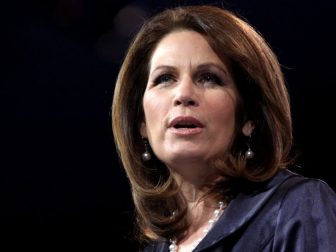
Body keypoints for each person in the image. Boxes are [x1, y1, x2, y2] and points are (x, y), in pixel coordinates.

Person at [111, 5, 336, 252]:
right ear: (141, 123)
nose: (183, 94)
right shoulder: (156, 248)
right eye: (164, 78)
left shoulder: (296, 206)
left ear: (249, 116)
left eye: (210, 78)